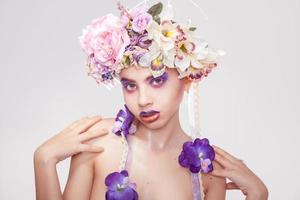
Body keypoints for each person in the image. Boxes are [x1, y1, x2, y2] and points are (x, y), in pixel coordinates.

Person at [33, 2, 268, 200]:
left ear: (188, 80)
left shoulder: (206, 169)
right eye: (130, 85)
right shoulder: (97, 144)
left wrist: (258, 195)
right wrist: (44, 160)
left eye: (156, 81)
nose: (143, 100)